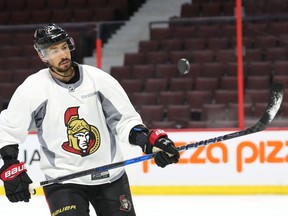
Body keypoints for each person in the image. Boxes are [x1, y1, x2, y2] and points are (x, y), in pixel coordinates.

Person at [0, 23, 180, 216]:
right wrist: (10, 165)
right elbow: (9, 129)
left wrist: (149, 142)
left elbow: (125, 121)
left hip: (111, 177)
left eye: (64, 47)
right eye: (54, 50)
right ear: (42, 56)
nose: (63, 54)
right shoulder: (33, 89)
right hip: (63, 182)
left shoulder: (99, 79)